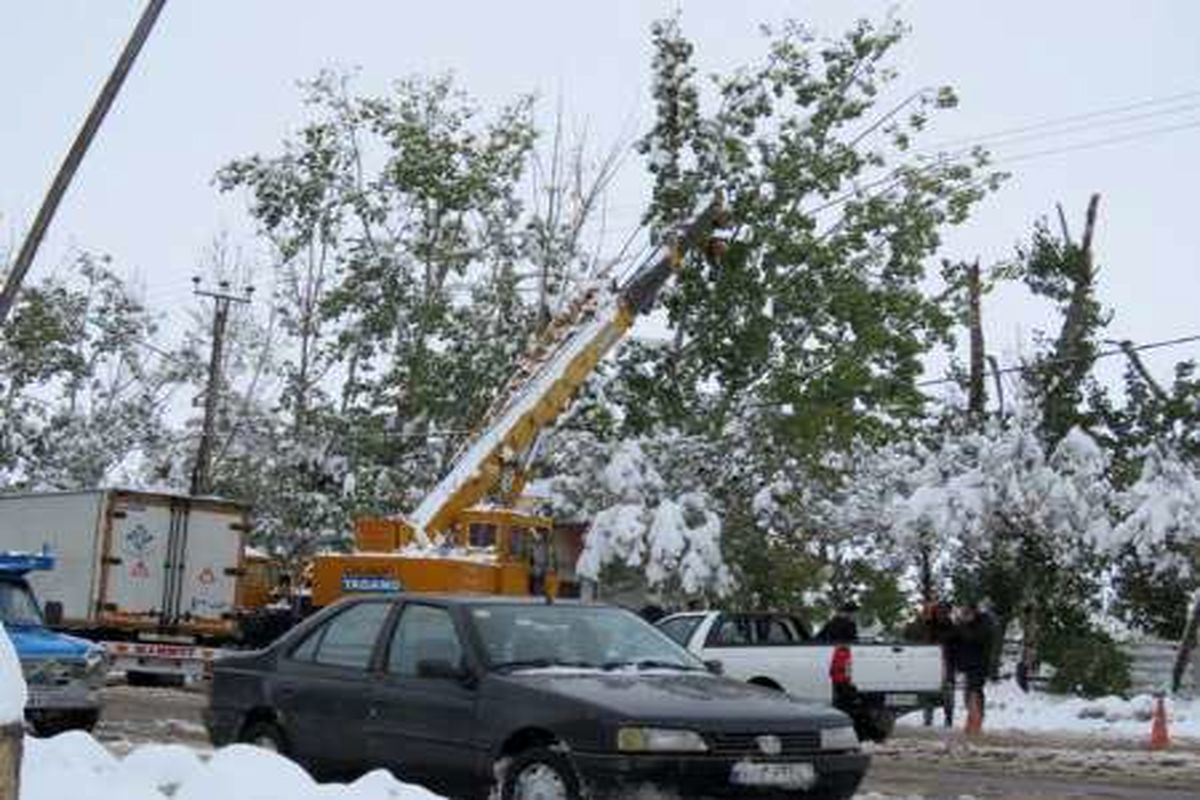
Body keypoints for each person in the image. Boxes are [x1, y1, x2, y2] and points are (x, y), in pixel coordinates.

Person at [951, 602, 994, 734]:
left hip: (979, 665)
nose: (964, 616)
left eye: (967, 613)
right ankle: (972, 721)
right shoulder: (970, 625)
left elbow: (973, 638)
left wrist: (961, 625)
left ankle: (976, 722)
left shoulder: (984, 624)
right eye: (963, 613)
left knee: (974, 693)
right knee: (969, 693)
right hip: (969, 665)